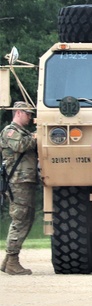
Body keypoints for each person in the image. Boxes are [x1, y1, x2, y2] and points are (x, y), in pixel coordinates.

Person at [2, 101, 38, 276]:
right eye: (28, 113)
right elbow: (19, 146)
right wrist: (36, 137)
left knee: (26, 218)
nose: (30, 117)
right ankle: (12, 260)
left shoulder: (23, 132)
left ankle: (8, 261)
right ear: (18, 112)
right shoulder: (11, 131)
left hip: (25, 181)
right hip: (18, 182)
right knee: (20, 219)